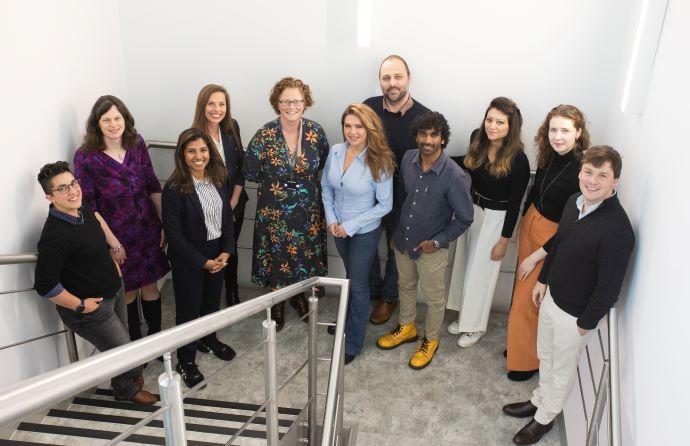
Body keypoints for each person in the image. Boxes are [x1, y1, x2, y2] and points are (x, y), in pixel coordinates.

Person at [503, 146, 634, 444]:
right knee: (545, 358)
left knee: (561, 371)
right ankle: (539, 400)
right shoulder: (575, 202)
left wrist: (585, 323)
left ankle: (545, 418)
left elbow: (609, 288)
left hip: (575, 316)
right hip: (551, 299)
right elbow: (559, 243)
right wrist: (542, 281)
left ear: (614, 181)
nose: (592, 180)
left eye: (603, 175)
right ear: (580, 172)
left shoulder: (617, 229)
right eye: (588, 172)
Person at [34, 161, 156, 405]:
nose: (72, 191)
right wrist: (80, 305)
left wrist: (114, 259)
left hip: (115, 290)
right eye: (62, 189)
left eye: (73, 184)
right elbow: (46, 286)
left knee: (125, 348)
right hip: (90, 311)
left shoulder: (82, 211)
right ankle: (127, 390)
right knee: (127, 355)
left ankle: (124, 385)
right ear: (49, 196)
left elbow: (98, 229)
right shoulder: (54, 236)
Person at [376, 111, 473, 370]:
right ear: (416, 136)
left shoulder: (454, 176)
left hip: (431, 249)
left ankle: (430, 340)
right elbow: (401, 199)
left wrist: (438, 242)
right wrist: (396, 232)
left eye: (434, 134)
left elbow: (465, 218)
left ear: (443, 139)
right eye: (422, 133)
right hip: (403, 241)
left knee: (433, 298)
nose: (427, 139)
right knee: (405, 286)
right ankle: (407, 327)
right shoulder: (408, 159)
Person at [73, 95, 169, 345]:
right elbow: (88, 206)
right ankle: (134, 344)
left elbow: (151, 184)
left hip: (146, 228)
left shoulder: (136, 144)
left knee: (150, 287)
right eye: (106, 119)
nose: (113, 124)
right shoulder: (86, 156)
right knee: (125, 292)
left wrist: (165, 223)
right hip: (114, 235)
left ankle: (155, 341)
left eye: (118, 118)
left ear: (125, 120)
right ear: (97, 123)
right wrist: (113, 243)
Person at [505, 105, 590, 381]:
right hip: (531, 223)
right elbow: (537, 189)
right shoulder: (548, 155)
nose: (558, 136)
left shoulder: (581, 171)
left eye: (565, 130)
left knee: (528, 299)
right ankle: (521, 346)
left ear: (578, 133)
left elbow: (572, 226)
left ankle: (527, 361)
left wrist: (537, 255)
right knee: (521, 290)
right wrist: (522, 222)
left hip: (551, 236)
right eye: (553, 129)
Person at [244, 77, 329, 330]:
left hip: (307, 208)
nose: (292, 106)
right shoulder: (265, 134)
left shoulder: (316, 132)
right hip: (274, 209)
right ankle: (278, 302)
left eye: (297, 101)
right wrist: (279, 185)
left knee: (302, 254)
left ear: (305, 103)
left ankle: (298, 295)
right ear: (277, 104)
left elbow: (322, 162)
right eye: (286, 101)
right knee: (277, 254)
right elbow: (250, 171)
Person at [447, 97, 530, 348]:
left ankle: (476, 327)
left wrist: (504, 242)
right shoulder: (477, 139)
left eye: (500, 122)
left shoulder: (519, 160)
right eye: (490, 119)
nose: (492, 126)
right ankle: (464, 315)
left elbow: (515, 206)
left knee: (481, 273)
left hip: (497, 218)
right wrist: (438, 157)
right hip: (471, 210)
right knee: (464, 265)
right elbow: (467, 162)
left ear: (511, 126)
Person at [162, 128, 236, 388]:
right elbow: (173, 235)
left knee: (211, 302)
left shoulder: (217, 178)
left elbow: (227, 217)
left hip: (217, 253)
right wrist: (202, 262)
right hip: (189, 259)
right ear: (182, 154)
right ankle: (186, 360)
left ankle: (209, 340)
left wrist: (226, 251)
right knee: (188, 311)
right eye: (191, 150)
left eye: (203, 150)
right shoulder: (173, 189)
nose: (198, 156)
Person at [321, 103, 395, 364]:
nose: (352, 131)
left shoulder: (380, 160)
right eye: (348, 126)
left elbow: (385, 205)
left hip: (363, 232)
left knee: (359, 284)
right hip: (337, 229)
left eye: (359, 126)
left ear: (369, 128)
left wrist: (349, 226)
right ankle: (346, 323)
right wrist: (331, 220)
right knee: (350, 278)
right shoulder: (336, 151)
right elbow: (326, 188)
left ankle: (352, 341)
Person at [364, 55, 431, 326]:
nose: (392, 83)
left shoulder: (424, 117)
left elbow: (430, 159)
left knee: (396, 249)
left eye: (397, 77)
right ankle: (370, 291)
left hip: (404, 195)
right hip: (367, 192)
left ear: (409, 78)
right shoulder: (367, 108)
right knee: (364, 244)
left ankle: (389, 297)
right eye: (386, 78)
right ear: (380, 81)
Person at [192, 84, 248, 307]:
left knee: (230, 248)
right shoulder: (194, 136)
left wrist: (233, 202)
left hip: (235, 202)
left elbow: (241, 166)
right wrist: (223, 208)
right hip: (210, 207)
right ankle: (211, 296)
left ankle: (232, 291)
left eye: (222, 104)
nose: (217, 109)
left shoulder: (232, 127)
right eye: (211, 104)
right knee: (214, 250)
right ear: (202, 106)